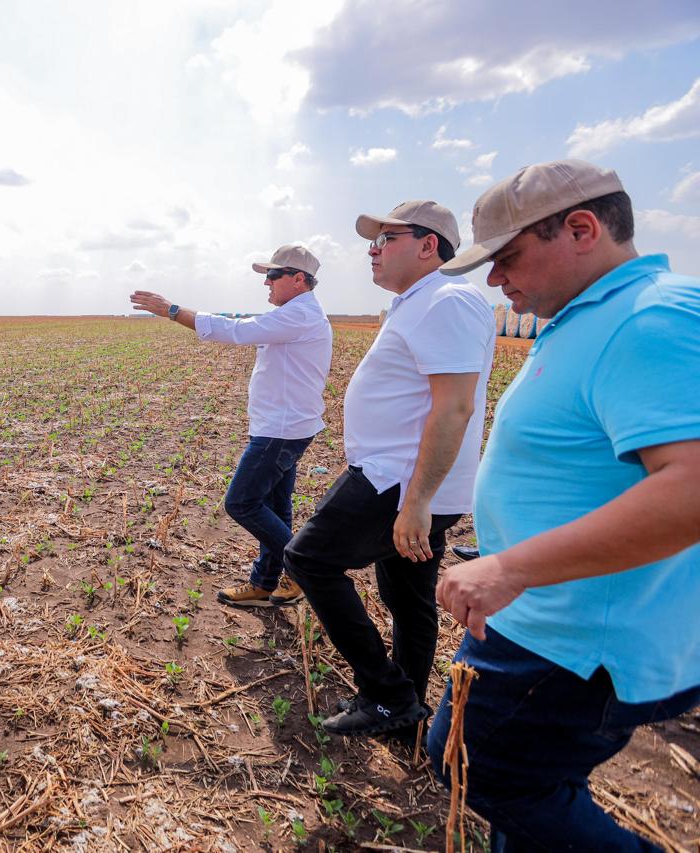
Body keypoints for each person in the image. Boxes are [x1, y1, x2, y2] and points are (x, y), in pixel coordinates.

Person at [430, 159, 700, 850]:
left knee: (478, 763)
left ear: (581, 228)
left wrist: (511, 566)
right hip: (549, 615)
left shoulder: (648, 320)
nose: (495, 280)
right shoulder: (598, 314)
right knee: (528, 791)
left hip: (571, 635)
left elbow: (692, 485)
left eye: (507, 258)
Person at [282, 201, 495, 737]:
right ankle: (406, 709)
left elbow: (454, 408)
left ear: (429, 246)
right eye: (371, 241)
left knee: (308, 559)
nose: (372, 250)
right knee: (407, 596)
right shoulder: (418, 302)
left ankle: (387, 691)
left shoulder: (446, 300)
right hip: (403, 480)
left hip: (398, 482)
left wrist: (417, 502)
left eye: (386, 239)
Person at [129, 245, 332, 607]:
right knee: (275, 504)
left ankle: (305, 567)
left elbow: (235, 330)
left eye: (272, 276)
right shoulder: (295, 313)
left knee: (241, 503)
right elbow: (240, 321)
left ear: (299, 280)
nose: (266, 283)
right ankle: (265, 582)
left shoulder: (298, 316)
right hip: (282, 425)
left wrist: (172, 311)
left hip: (280, 431)